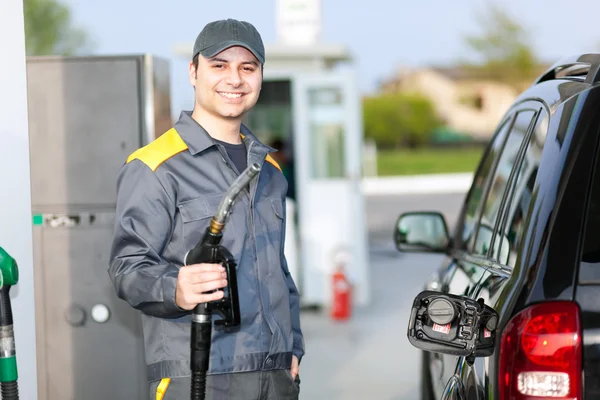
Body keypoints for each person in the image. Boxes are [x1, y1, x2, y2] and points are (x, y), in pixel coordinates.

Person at [108, 18, 304, 400]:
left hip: (276, 374)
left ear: (260, 78)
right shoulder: (155, 166)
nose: (235, 79)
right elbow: (126, 267)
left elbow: (278, 270)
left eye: (248, 68)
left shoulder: (269, 170)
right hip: (197, 375)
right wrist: (174, 287)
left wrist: (293, 346)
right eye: (219, 65)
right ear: (194, 72)